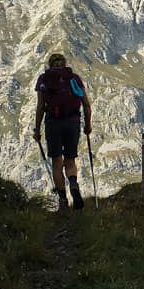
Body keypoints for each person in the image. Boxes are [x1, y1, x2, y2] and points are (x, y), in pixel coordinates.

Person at [32, 53, 92, 211]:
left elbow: (40, 107)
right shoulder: (74, 78)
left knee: (57, 163)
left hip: (53, 123)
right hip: (72, 122)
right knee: (70, 160)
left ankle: (63, 201)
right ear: (64, 64)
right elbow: (86, 104)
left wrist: (37, 130)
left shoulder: (44, 80)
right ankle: (73, 183)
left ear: (50, 65)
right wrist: (88, 126)